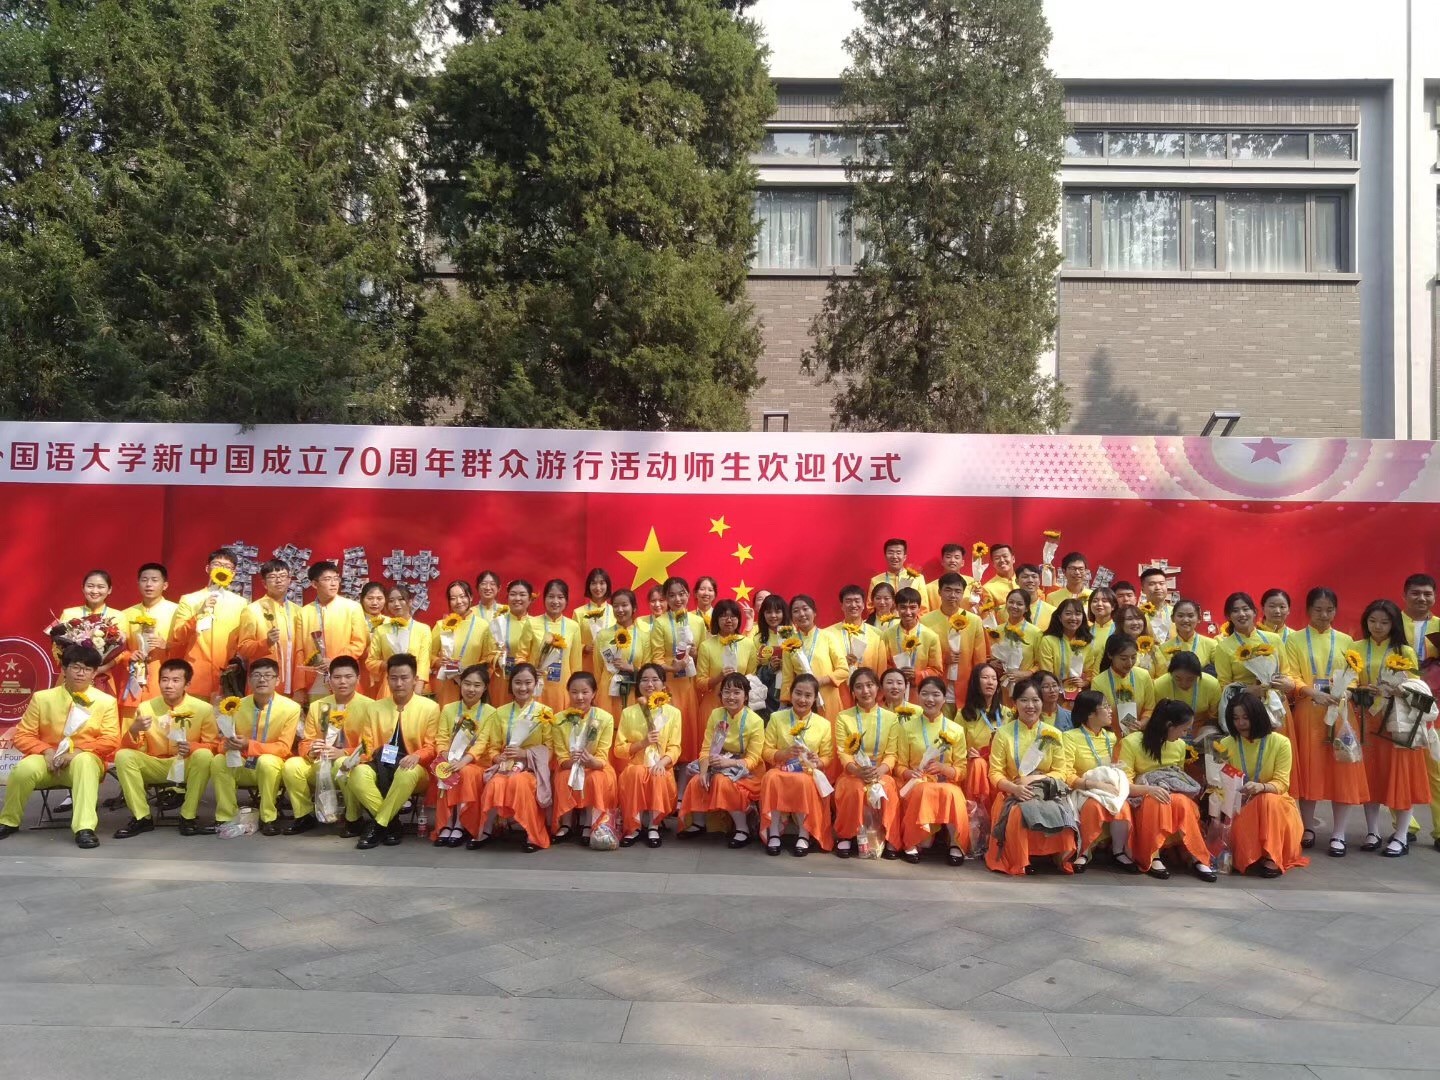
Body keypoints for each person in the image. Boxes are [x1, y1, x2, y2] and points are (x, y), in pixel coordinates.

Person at [0, 643, 119, 849]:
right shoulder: (42, 698)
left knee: (85, 763)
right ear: (64, 669)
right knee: (24, 768)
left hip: (83, 760)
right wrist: (46, 751)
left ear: (94, 673)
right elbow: (23, 735)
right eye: (76, 667)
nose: (81, 673)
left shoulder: (105, 701)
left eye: (87, 669)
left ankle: (84, 828)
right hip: (47, 758)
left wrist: (77, 752)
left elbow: (110, 739)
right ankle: (9, 820)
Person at [1283, 587, 1365, 856]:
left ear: (1336, 611)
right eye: (1318, 609)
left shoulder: (1346, 641)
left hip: (1341, 713)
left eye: (1329, 610)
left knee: (1342, 770)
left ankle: (1339, 833)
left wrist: (1347, 691)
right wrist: (1312, 692)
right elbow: (1291, 675)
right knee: (1310, 769)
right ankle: (1307, 827)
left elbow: (1354, 675)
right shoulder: (1294, 640)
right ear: (1308, 610)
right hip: (1309, 711)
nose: (1324, 615)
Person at [112, 658, 218, 838]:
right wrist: (134, 730)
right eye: (164, 680)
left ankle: (188, 817)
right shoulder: (146, 707)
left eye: (176, 680)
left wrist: (192, 747)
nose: (169, 685)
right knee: (123, 756)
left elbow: (214, 746)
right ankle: (141, 817)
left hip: (186, 764)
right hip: (156, 764)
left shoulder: (203, 709)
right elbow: (134, 747)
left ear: (187, 684)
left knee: (204, 755)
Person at [1355, 598, 1425, 858]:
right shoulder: (1356, 647)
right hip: (1367, 718)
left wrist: (1396, 689)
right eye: (1372, 621)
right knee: (1371, 776)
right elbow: (1350, 680)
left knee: (1400, 776)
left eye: (1384, 622)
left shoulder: (1404, 651)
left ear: (1394, 624)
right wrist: (1361, 688)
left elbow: (1416, 689)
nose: (1378, 626)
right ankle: (1372, 831)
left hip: (1397, 723)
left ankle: (1401, 834)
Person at [1118, 699, 1217, 881]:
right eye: (1184, 730)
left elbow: (1178, 779)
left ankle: (1196, 856)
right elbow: (1123, 783)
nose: (1185, 734)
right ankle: (1152, 855)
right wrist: (1149, 789)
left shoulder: (1179, 746)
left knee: (1182, 801)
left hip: (1172, 797)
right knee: (1156, 800)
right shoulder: (1131, 742)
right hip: (1141, 799)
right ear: (1169, 725)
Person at [985, 677, 1075, 875]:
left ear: (1042, 702)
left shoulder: (1053, 733)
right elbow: (995, 772)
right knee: (1019, 811)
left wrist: (1034, 779)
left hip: (1046, 789)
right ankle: (1021, 859)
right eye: (1024, 700)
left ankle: (1056, 855)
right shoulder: (1003, 734)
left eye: (1035, 700)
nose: (1030, 706)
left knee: (1063, 808)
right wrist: (1015, 788)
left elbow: (1061, 771)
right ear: (1015, 703)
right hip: (1012, 791)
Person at [350, 653, 440, 850]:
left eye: (404, 678)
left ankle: (378, 826)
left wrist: (417, 756)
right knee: (357, 774)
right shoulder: (375, 708)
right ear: (387, 679)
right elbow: (366, 743)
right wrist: (361, 759)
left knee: (406, 772)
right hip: (380, 764)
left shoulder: (430, 708)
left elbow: (432, 746)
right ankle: (391, 824)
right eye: (393, 678)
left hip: (416, 769)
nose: (398, 683)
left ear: (415, 679)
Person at [1213, 691, 1308, 877]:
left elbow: (1282, 784)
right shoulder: (1224, 744)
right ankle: (1251, 854)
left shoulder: (1281, 743)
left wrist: (1262, 787)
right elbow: (1218, 782)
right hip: (1240, 807)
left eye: (1245, 718)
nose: (1240, 723)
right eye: (1235, 718)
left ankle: (1273, 856)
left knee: (1268, 800)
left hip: (1277, 810)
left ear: (1257, 716)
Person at [281, 655, 375, 837]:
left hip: (352, 763)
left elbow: (370, 745)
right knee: (292, 766)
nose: (342, 682)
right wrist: (312, 749)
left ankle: (353, 818)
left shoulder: (370, 706)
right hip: (320, 763)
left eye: (348, 677)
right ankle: (304, 815)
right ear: (329, 679)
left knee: (342, 764)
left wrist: (343, 752)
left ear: (358, 678)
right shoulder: (319, 706)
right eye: (337, 677)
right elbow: (306, 741)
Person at [207, 657, 301, 836]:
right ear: (249, 680)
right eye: (257, 675)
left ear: (277, 680)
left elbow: (283, 748)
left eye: (268, 675)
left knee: (267, 762)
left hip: (272, 766)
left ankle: (268, 818)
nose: (262, 680)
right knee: (219, 760)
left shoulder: (291, 708)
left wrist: (249, 745)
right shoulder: (236, 705)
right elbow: (222, 741)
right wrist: (226, 745)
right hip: (242, 763)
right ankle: (226, 816)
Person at [473, 663, 553, 852]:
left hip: (532, 769)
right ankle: (486, 830)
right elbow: (493, 747)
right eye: (518, 682)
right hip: (506, 767)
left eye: (528, 682)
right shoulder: (500, 712)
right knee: (495, 783)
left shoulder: (545, 713)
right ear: (511, 684)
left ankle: (532, 834)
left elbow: (550, 748)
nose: (523, 688)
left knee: (520, 782)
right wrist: (497, 758)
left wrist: (526, 754)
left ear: (535, 684)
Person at [677, 673, 764, 846]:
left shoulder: (755, 721)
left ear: (746, 696)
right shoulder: (716, 714)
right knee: (697, 780)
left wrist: (729, 763)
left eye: (737, 692)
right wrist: (703, 771)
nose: (731, 697)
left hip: (745, 768)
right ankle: (699, 823)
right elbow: (706, 749)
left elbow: (753, 759)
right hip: (716, 761)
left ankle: (742, 828)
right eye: (727, 692)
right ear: (721, 694)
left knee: (722, 781)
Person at [894, 675, 970, 865]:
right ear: (918, 696)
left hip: (946, 783)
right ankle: (913, 840)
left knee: (953, 793)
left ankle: (955, 843)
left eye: (936, 694)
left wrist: (945, 769)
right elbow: (899, 765)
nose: (930, 699)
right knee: (922, 791)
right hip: (917, 783)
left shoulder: (955, 729)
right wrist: (910, 773)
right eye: (925, 694)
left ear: (944, 698)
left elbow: (962, 769)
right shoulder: (907, 727)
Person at [759, 674, 835, 855]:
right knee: (771, 778)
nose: (802, 699)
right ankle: (774, 831)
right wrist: (783, 754)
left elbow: (828, 756)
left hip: (808, 772)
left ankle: (804, 833)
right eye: (798, 693)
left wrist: (818, 761)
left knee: (804, 782)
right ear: (790, 693)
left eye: (808, 695)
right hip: (782, 768)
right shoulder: (777, 718)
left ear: (815, 698)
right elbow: (766, 750)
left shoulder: (823, 724)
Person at [833, 667, 901, 858]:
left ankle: (889, 837)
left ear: (878, 688)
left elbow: (891, 753)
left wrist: (881, 770)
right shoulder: (843, 717)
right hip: (853, 773)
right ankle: (847, 835)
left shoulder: (891, 718)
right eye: (859, 687)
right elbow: (843, 752)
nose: (865, 691)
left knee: (888, 787)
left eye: (869, 685)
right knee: (854, 788)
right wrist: (857, 771)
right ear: (853, 691)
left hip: (880, 772)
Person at [1063, 691, 1132, 872]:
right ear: (1090, 713)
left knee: (1122, 805)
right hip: (1083, 789)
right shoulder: (1070, 737)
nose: (1110, 711)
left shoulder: (1112, 737)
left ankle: (1118, 851)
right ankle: (1084, 850)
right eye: (1106, 707)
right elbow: (1067, 774)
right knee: (1093, 805)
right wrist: (1094, 785)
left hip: (1110, 787)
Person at [615, 664, 683, 848]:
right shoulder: (628, 712)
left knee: (657, 774)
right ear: (638, 684)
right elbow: (619, 749)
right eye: (644, 680)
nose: (650, 684)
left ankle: (654, 826)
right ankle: (634, 826)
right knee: (635, 773)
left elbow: (675, 747)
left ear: (663, 684)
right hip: (636, 765)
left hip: (661, 765)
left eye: (655, 680)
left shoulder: (673, 713)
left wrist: (662, 762)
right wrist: (642, 743)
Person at [169, 548, 248, 700]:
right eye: (217, 564)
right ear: (207, 568)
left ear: (233, 573)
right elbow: (178, 635)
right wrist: (199, 613)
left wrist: (237, 662)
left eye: (227, 566)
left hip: (227, 678)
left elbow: (243, 640)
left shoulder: (241, 603)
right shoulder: (190, 599)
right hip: (196, 676)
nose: (222, 569)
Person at [547, 672, 617, 843]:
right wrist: (572, 761)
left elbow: (602, 754)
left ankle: (589, 822)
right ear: (568, 692)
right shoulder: (559, 719)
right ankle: (566, 822)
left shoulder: (605, 718)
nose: (579, 697)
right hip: (570, 765)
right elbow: (561, 756)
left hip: (596, 766)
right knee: (563, 777)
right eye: (574, 692)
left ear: (594, 693)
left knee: (595, 778)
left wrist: (591, 761)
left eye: (585, 692)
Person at [429, 664, 494, 847]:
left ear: (485, 688)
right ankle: (446, 822)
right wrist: (446, 756)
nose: (471, 689)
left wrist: (462, 762)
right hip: (450, 759)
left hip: (477, 763)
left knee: (464, 772)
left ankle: (460, 823)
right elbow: (441, 738)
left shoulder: (490, 712)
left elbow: (482, 744)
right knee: (443, 769)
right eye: (467, 683)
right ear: (460, 684)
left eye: (477, 685)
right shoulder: (449, 709)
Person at [293, 561, 369, 710]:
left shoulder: (352, 607)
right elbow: (299, 651)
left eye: (336, 578)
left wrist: (334, 660)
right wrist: (299, 687)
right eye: (327, 579)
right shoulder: (304, 612)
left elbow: (359, 643)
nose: (334, 583)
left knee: (347, 717)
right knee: (319, 718)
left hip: (343, 674)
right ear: (314, 584)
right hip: (315, 679)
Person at [1399, 573, 1440, 848]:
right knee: (1400, 767)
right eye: (1415, 593)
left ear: (1434, 596)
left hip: (1434, 706)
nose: (1421, 598)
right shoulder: (1392, 622)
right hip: (1400, 704)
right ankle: (1405, 827)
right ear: (1404, 595)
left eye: (1427, 593)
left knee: (1437, 768)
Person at [649, 576, 708, 762]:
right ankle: (667, 766)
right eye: (672, 595)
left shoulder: (698, 621)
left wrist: (696, 654)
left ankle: (687, 770)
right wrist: (672, 668)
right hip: (669, 686)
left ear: (689, 595)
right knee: (669, 727)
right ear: (666, 598)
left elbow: (704, 657)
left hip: (690, 685)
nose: (677, 599)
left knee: (689, 728)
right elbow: (656, 659)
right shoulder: (660, 622)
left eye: (681, 594)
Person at [117, 563, 178, 718]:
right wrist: (129, 656)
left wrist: (167, 646)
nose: (149, 584)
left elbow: (186, 646)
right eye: (144, 580)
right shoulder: (126, 614)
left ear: (165, 585)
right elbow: (118, 649)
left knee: (160, 720)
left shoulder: (176, 612)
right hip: (133, 675)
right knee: (130, 721)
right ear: (138, 584)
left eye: (154, 580)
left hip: (163, 674)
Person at [429, 579, 498, 710]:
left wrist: (473, 673)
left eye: (462, 596)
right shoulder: (441, 625)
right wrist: (439, 662)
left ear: (470, 597)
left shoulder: (483, 626)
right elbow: (429, 655)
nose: (458, 601)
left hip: (473, 686)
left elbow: (488, 658)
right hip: (448, 684)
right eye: (453, 598)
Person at [237, 561, 301, 699]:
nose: (278, 580)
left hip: (294, 684)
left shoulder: (298, 611)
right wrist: (266, 643)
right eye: (272, 577)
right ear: (264, 583)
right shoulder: (252, 610)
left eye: (282, 576)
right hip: (264, 682)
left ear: (289, 580)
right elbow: (243, 648)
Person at [920, 573, 987, 703]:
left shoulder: (974, 621)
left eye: (957, 591)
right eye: (948, 590)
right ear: (939, 592)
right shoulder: (925, 621)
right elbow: (922, 658)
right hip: (936, 687)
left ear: (962, 594)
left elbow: (979, 659)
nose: (953, 595)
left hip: (966, 687)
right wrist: (943, 659)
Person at [780, 594, 849, 719]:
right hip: (802, 701)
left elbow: (843, 670)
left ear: (814, 612)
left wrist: (820, 681)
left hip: (828, 697)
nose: (801, 614)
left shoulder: (828, 637)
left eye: (805, 609)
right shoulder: (789, 643)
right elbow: (787, 678)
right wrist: (785, 703)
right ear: (792, 617)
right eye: (796, 611)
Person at [57, 570, 124, 697]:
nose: (94, 591)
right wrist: (73, 667)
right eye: (90, 586)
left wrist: (100, 669)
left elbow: (122, 652)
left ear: (109, 590)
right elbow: (57, 647)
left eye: (101, 587)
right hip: (71, 676)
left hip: (102, 677)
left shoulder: (118, 616)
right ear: (83, 588)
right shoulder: (69, 613)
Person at [696, 599, 759, 722]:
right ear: (716, 619)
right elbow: (700, 684)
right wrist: (719, 677)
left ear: (739, 619)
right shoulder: (706, 646)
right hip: (712, 708)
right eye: (724, 616)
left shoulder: (748, 644)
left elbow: (752, 678)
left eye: (733, 616)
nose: (729, 620)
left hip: (739, 708)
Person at [366, 585, 432, 699]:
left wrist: (416, 693)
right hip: (389, 687)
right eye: (391, 601)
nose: (396, 604)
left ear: (410, 602)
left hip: (415, 686)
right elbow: (370, 661)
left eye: (401, 599)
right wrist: (388, 664)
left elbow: (423, 662)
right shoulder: (381, 630)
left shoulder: (423, 629)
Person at [957, 662, 1008, 807]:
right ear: (975, 682)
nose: (990, 682)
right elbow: (956, 748)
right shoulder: (963, 714)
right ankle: (977, 811)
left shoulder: (1008, 713)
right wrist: (967, 753)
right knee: (978, 764)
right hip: (975, 767)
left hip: (1000, 765)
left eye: (994, 678)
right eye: (985, 678)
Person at [529, 579, 583, 711]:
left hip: (563, 689)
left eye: (560, 597)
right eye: (551, 596)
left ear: (566, 600)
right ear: (544, 599)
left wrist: (577, 690)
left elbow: (576, 665)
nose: (555, 601)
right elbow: (521, 656)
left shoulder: (573, 626)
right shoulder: (531, 623)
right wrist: (530, 671)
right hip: (537, 685)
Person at [881, 587, 943, 703]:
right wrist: (897, 674)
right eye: (903, 607)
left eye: (912, 607)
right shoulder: (887, 635)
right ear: (896, 608)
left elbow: (937, 671)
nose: (908, 612)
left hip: (920, 695)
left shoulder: (931, 636)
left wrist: (917, 675)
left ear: (919, 608)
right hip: (894, 693)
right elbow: (883, 665)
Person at [828, 585, 887, 707]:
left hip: (868, 696)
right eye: (848, 601)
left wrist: (878, 698)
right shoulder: (828, 634)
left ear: (863, 604)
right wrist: (842, 662)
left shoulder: (877, 635)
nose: (853, 605)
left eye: (857, 601)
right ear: (842, 605)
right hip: (839, 695)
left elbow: (881, 670)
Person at [489, 579, 540, 707]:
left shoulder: (537, 624)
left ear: (530, 599)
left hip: (527, 683)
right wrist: (497, 658)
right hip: (502, 680)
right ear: (507, 598)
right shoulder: (497, 623)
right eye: (513, 594)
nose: (517, 598)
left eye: (522, 595)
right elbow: (487, 654)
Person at [1092, 633, 1155, 734]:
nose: (1129, 663)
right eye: (1123, 659)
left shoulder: (1143, 676)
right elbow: (1098, 715)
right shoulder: (1098, 682)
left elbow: (1149, 708)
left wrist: (1141, 724)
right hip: (1110, 736)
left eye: (1133, 657)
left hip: (1138, 735)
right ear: (1110, 655)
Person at [594, 589, 643, 718]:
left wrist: (631, 668)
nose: (620, 610)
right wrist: (596, 694)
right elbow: (598, 669)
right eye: (615, 606)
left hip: (633, 691)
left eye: (624, 605)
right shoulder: (603, 635)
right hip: (607, 692)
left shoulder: (644, 636)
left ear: (634, 607)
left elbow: (649, 669)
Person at [1036, 599, 1092, 699]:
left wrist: (1085, 682)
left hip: (1081, 695)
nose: (1073, 618)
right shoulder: (1048, 640)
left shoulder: (1086, 641)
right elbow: (1046, 673)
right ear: (1059, 617)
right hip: (1054, 694)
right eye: (1068, 613)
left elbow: (1091, 671)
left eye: (1078, 614)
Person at [1153, 652, 1222, 731]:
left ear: (1198, 675)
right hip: (1171, 728)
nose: (1184, 684)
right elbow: (1158, 717)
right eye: (1178, 679)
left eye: (1190, 679)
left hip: (1201, 727)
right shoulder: (1159, 685)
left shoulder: (1211, 685)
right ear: (1170, 674)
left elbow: (1214, 717)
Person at [1155, 599, 1217, 675]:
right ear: (1172, 618)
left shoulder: (1211, 645)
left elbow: (1220, 671)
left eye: (1190, 616)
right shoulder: (1164, 648)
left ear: (1199, 619)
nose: (1185, 620)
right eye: (1180, 616)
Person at [574, 568, 615, 676]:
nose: (598, 587)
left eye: (602, 583)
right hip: (586, 666)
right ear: (588, 586)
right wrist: (584, 647)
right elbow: (573, 642)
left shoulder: (614, 611)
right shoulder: (579, 613)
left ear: (607, 585)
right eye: (593, 583)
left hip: (609, 667)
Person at [753, 591, 788, 716]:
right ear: (763, 614)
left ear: (784, 613)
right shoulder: (758, 639)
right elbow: (755, 673)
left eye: (777, 612)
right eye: (768, 612)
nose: (773, 616)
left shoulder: (792, 634)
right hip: (767, 697)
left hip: (791, 692)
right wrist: (770, 668)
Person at [870, 538, 928, 613]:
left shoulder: (917, 578)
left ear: (904, 557)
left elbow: (923, 609)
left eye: (898, 552)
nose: (894, 556)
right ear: (885, 556)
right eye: (890, 552)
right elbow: (871, 608)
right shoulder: (875, 580)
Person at [1082, 587, 1119, 674]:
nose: (1099, 604)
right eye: (1095, 601)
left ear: (1113, 606)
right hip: (1086, 679)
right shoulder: (1084, 631)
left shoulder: (1119, 631)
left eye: (1104, 601)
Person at [926, 544, 971, 612]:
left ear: (962, 563)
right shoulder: (929, 588)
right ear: (942, 561)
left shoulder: (973, 583)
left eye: (957, 557)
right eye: (948, 557)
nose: (952, 560)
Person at [1017, 563, 1054, 632]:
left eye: (1034, 577)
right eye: (1025, 577)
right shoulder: (1005, 610)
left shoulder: (1052, 611)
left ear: (1039, 581)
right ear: (1017, 581)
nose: (1030, 580)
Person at [981, 544, 1019, 609]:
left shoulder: (1025, 581)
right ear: (993, 563)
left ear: (1013, 559)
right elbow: (988, 614)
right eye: (997, 558)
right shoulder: (988, 588)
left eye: (1005, 556)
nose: (1002, 560)